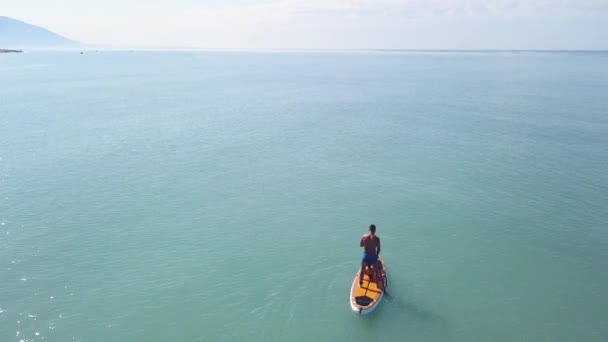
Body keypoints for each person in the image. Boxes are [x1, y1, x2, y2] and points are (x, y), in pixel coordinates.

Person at [359, 224, 383, 290]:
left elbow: (361, 245)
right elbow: (378, 249)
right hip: (373, 255)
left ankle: (360, 283)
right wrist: (376, 255)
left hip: (366, 255)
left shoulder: (364, 236)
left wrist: (367, 244)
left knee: (362, 270)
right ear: (375, 230)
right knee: (376, 271)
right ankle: (378, 286)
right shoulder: (377, 239)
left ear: (369, 229)